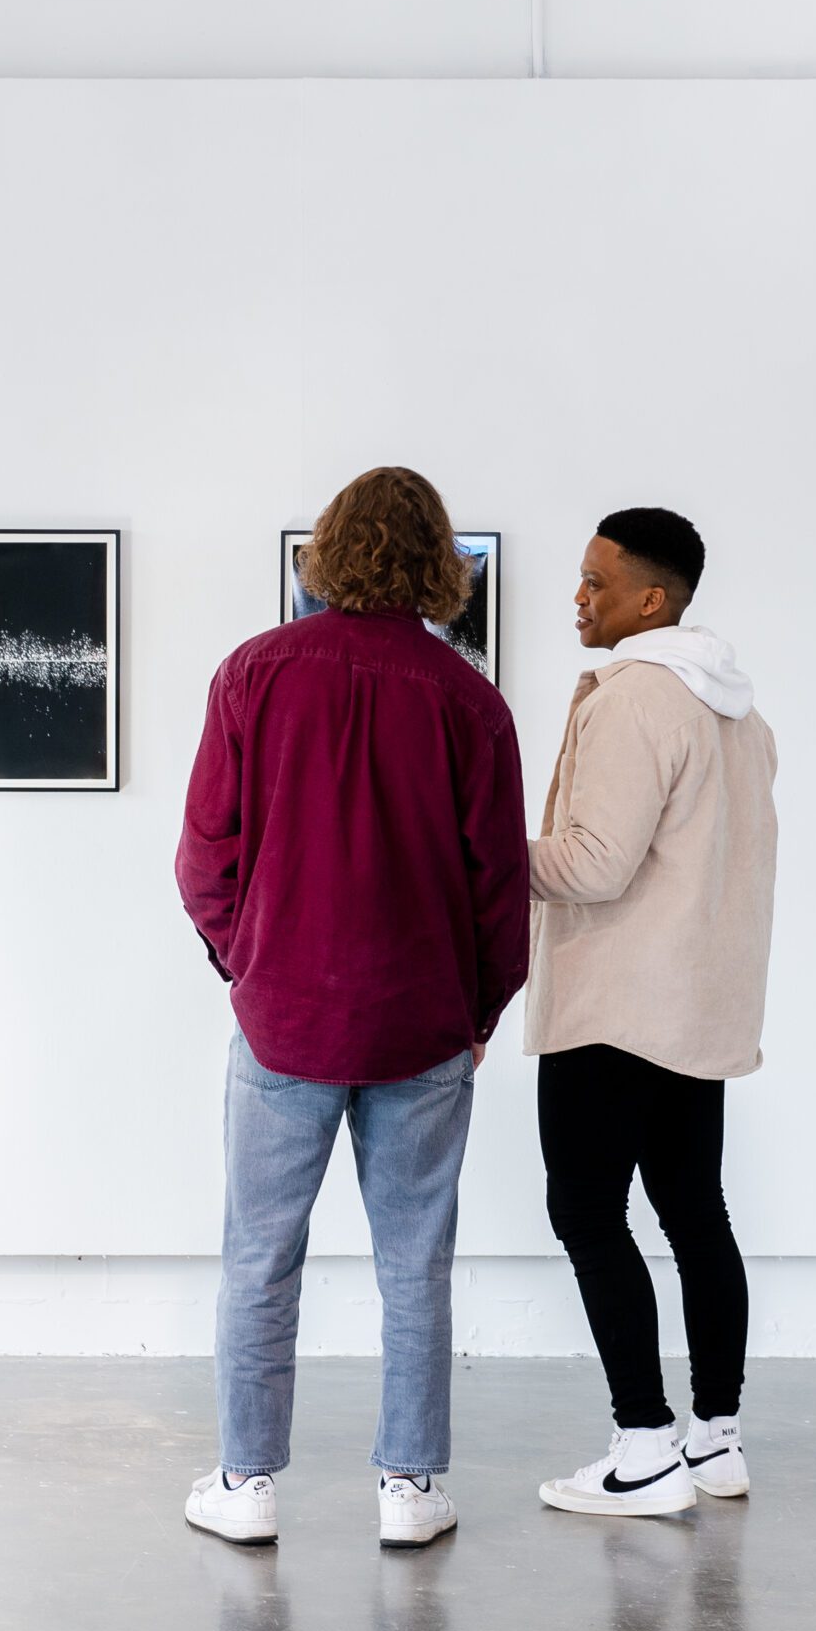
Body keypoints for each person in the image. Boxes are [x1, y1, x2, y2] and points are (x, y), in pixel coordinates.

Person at [173, 466, 529, 1549]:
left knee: (257, 1256)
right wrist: (480, 1013)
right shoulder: (469, 701)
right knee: (415, 1261)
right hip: (422, 1025)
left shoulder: (254, 674)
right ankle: (411, 1491)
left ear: (327, 549)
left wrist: (250, 961)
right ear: (435, 562)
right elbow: (498, 886)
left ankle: (245, 1485)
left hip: (283, 1022)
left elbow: (202, 857)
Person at [524, 507, 778, 1519]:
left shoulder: (633, 699)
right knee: (694, 1212)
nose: (578, 599)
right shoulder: (738, 712)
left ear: (651, 600)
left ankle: (642, 1445)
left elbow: (592, 863)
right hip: (698, 1004)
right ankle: (714, 1439)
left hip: (614, 1005)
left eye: (595, 582)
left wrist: (476, 863)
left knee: (587, 1213)